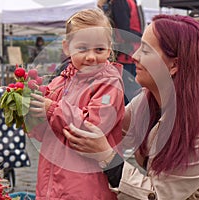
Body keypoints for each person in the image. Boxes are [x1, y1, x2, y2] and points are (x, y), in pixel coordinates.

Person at [63, 14, 199, 200]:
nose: (134, 56)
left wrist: (108, 158)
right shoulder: (146, 101)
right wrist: (49, 108)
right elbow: (106, 127)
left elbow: (159, 196)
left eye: (146, 50)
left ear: (173, 65)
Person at [27, 8, 125, 199]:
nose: (91, 56)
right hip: (51, 183)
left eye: (99, 49)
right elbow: (45, 134)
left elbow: (93, 127)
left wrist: (51, 109)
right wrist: (31, 114)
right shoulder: (58, 83)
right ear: (67, 48)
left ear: (109, 49)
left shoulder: (109, 83)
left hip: (86, 187)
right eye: (82, 48)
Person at [98, 0, 144, 77]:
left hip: (132, 56)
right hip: (124, 57)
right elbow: (124, 32)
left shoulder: (131, 2)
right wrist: (143, 38)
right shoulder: (120, 2)